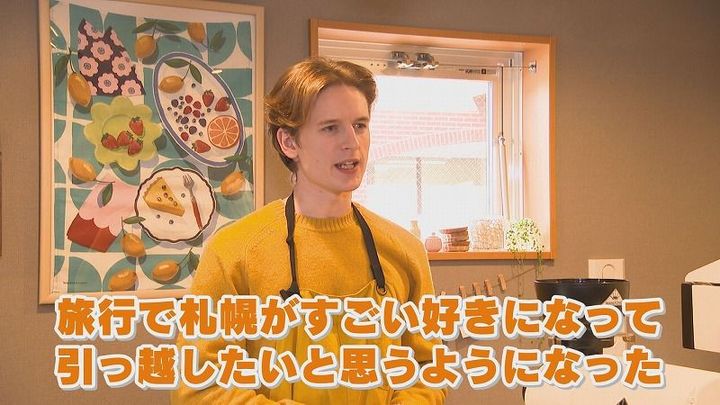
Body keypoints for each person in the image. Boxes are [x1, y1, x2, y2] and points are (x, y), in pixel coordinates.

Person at [173, 57, 446, 404]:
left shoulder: (405, 250)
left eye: (360, 125)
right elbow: (199, 387)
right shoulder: (232, 252)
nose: (352, 143)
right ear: (289, 142)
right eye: (330, 128)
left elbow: (428, 371)